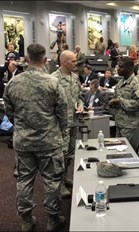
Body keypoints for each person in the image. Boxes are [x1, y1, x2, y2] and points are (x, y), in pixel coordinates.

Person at [3, 43, 68, 231]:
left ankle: (26, 220)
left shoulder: (13, 83)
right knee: (52, 181)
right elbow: (63, 113)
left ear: (26, 59)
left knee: (24, 180)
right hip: (49, 141)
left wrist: (23, 126)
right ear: (45, 60)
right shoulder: (53, 82)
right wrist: (61, 130)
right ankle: (53, 219)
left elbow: (9, 112)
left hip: (23, 141)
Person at [51, 50, 84, 198]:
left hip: (74, 121)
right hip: (61, 125)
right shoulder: (53, 79)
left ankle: (65, 177)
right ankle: (59, 183)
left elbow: (79, 96)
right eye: (73, 61)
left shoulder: (75, 78)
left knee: (70, 154)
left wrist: (81, 105)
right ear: (64, 62)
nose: (76, 64)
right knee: (60, 155)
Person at [108, 57, 139, 139]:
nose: (118, 69)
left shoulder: (136, 84)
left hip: (130, 126)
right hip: (119, 124)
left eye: (121, 67)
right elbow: (116, 98)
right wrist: (112, 103)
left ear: (128, 68)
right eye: (118, 66)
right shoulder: (120, 83)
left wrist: (120, 101)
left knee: (131, 150)